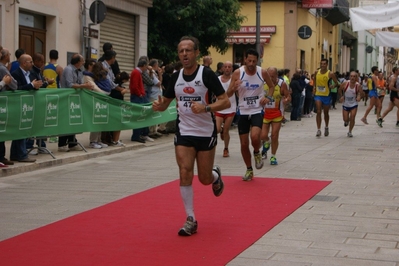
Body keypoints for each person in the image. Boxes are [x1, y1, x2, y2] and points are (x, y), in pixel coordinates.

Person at [152, 36, 230, 236]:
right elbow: (166, 102)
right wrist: (160, 106)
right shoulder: (175, 77)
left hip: (205, 132)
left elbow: (225, 102)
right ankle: (191, 219)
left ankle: (215, 176)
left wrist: (205, 107)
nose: (184, 54)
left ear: (196, 53)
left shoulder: (207, 74)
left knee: (203, 178)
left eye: (188, 50)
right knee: (185, 171)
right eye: (181, 51)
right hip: (184, 131)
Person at [226, 48, 275, 181]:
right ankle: (249, 169)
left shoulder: (262, 72)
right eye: (249, 61)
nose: (252, 63)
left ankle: (257, 152)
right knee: (243, 144)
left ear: (257, 61)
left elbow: (271, 87)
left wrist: (268, 98)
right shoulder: (238, 73)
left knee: (255, 137)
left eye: (254, 61)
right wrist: (233, 87)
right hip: (242, 110)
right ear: (245, 60)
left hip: (257, 109)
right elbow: (228, 94)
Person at [10, 54, 43, 162]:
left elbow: (32, 86)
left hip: (29, 105)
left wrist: (37, 86)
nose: (32, 64)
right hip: (19, 105)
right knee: (20, 130)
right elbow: (17, 89)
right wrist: (31, 86)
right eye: (30, 62)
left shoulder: (31, 74)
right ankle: (21, 155)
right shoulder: (15, 74)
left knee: (24, 130)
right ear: (24, 63)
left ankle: (15, 154)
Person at [58, 54, 93, 152]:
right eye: (82, 61)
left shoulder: (79, 71)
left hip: (75, 99)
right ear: (77, 62)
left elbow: (79, 82)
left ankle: (72, 142)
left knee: (73, 120)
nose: (83, 63)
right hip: (66, 98)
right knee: (65, 121)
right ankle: (62, 144)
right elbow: (70, 84)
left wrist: (84, 85)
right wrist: (84, 86)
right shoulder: (69, 69)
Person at [25, 52, 56, 155]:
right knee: (32, 124)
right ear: (36, 61)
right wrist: (47, 83)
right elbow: (36, 85)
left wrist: (44, 81)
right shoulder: (32, 72)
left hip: (40, 101)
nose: (43, 63)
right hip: (33, 101)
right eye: (41, 61)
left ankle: (41, 144)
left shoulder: (39, 71)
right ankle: (29, 145)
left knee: (41, 123)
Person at [261, 67, 290, 165]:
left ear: (277, 75)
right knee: (263, 135)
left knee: (274, 135)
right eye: (268, 76)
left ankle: (273, 156)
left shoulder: (282, 84)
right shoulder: (263, 84)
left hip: (277, 114)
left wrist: (286, 100)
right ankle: (267, 142)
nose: (270, 78)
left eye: (272, 76)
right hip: (265, 114)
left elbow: (288, 96)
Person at [101, 50, 129, 146]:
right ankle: (106, 140)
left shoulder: (109, 68)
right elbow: (110, 83)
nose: (115, 60)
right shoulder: (103, 66)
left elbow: (112, 80)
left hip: (110, 93)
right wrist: (121, 89)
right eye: (114, 58)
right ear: (112, 58)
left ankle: (112, 139)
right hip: (107, 95)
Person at [83, 59, 111, 149]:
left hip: (100, 100)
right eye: (92, 64)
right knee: (95, 120)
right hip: (93, 100)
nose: (93, 66)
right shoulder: (87, 76)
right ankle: (93, 141)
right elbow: (94, 87)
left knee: (100, 120)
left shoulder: (96, 76)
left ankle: (98, 140)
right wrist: (105, 93)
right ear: (88, 66)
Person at [215, 61, 236, 157]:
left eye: (229, 67)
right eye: (225, 67)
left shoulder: (234, 80)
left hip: (230, 108)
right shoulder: (218, 79)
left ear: (231, 69)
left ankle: (226, 148)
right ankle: (221, 130)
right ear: (223, 68)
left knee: (226, 130)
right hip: (219, 107)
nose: (227, 68)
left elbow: (238, 93)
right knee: (217, 129)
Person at [313, 59, 339, 137]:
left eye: (324, 64)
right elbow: (314, 80)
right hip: (318, 95)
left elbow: (337, 83)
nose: (322, 65)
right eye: (321, 64)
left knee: (326, 113)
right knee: (318, 111)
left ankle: (326, 127)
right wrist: (314, 87)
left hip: (326, 95)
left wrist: (332, 86)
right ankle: (318, 129)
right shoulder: (316, 72)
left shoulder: (330, 74)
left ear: (327, 65)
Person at [130, 59, 154, 143]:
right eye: (146, 66)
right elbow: (134, 86)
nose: (146, 68)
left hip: (140, 96)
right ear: (143, 65)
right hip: (137, 97)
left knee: (142, 115)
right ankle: (136, 135)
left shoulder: (137, 72)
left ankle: (141, 134)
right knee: (138, 116)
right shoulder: (136, 72)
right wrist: (139, 94)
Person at [0, 48, 16, 166]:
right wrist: (4, 83)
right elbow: (14, 84)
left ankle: (1, 156)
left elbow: (14, 84)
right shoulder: (2, 68)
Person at [338, 71, 362, 137]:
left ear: (356, 77)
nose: (352, 78)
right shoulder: (345, 84)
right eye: (351, 76)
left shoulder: (358, 85)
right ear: (349, 77)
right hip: (346, 104)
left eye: (354, 76)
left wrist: (359, 96)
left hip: (354, 104)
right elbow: (339, 90)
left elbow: (362, 93)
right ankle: (346, 121)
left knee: (352, 117)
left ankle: (350, 131)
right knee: (345, 119)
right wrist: (341, 96)